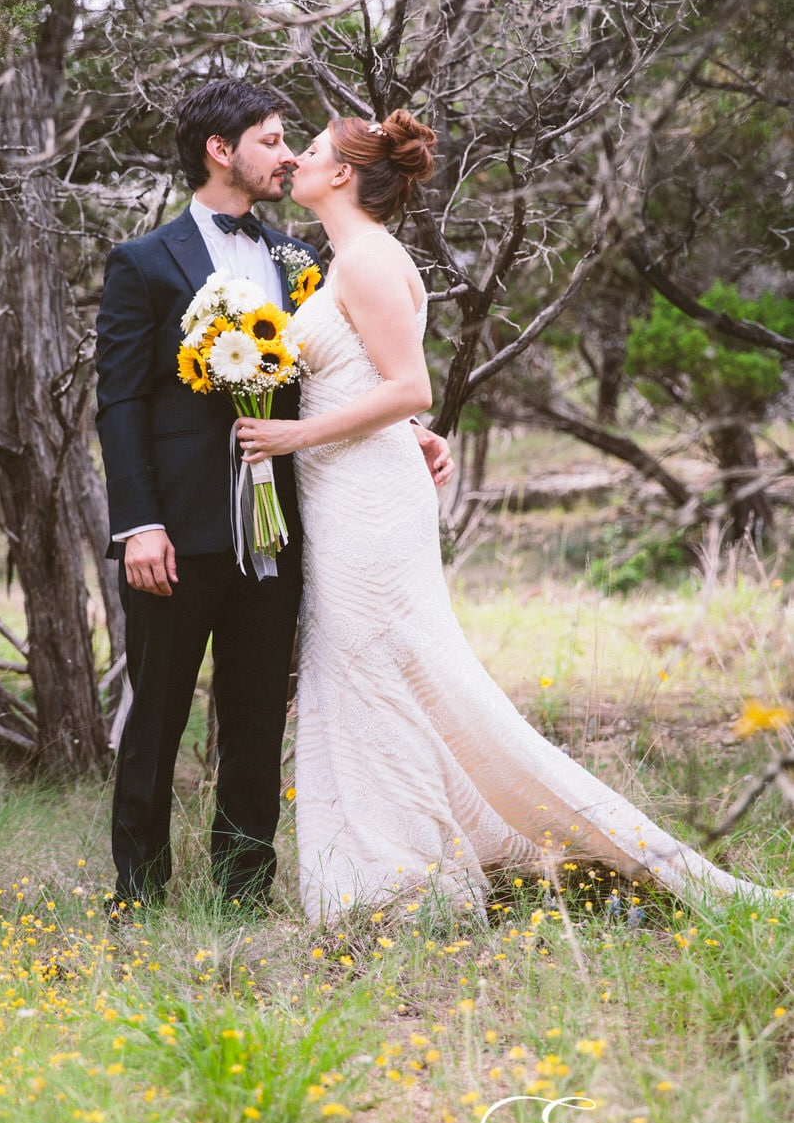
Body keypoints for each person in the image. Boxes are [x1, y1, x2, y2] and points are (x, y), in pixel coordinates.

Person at [237, 109, 775, 923]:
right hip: (345, 490)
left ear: (342, 174)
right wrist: (399, 432)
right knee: (362, 675)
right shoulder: (343, 259)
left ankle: (406, 872)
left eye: (309, 153)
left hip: (366, 505)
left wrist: (295, 433)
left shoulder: (370, 261)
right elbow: (375, 387)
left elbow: (411, 385)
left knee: (379, 668)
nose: (296, 164)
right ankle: (392, 867)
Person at [94, 79, 454, 915]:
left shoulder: (303, 260)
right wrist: (138, 524)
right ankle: (138, 896)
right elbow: (119, 402)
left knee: (257, 713)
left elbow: (338, 379)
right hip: (176, 532)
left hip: (282, 528)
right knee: (156, 715)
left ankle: (243, 893)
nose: (286, 154)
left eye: (290, 141)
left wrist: (410, 433)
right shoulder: (142, 263)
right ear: (221, 152)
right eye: (268, 139)